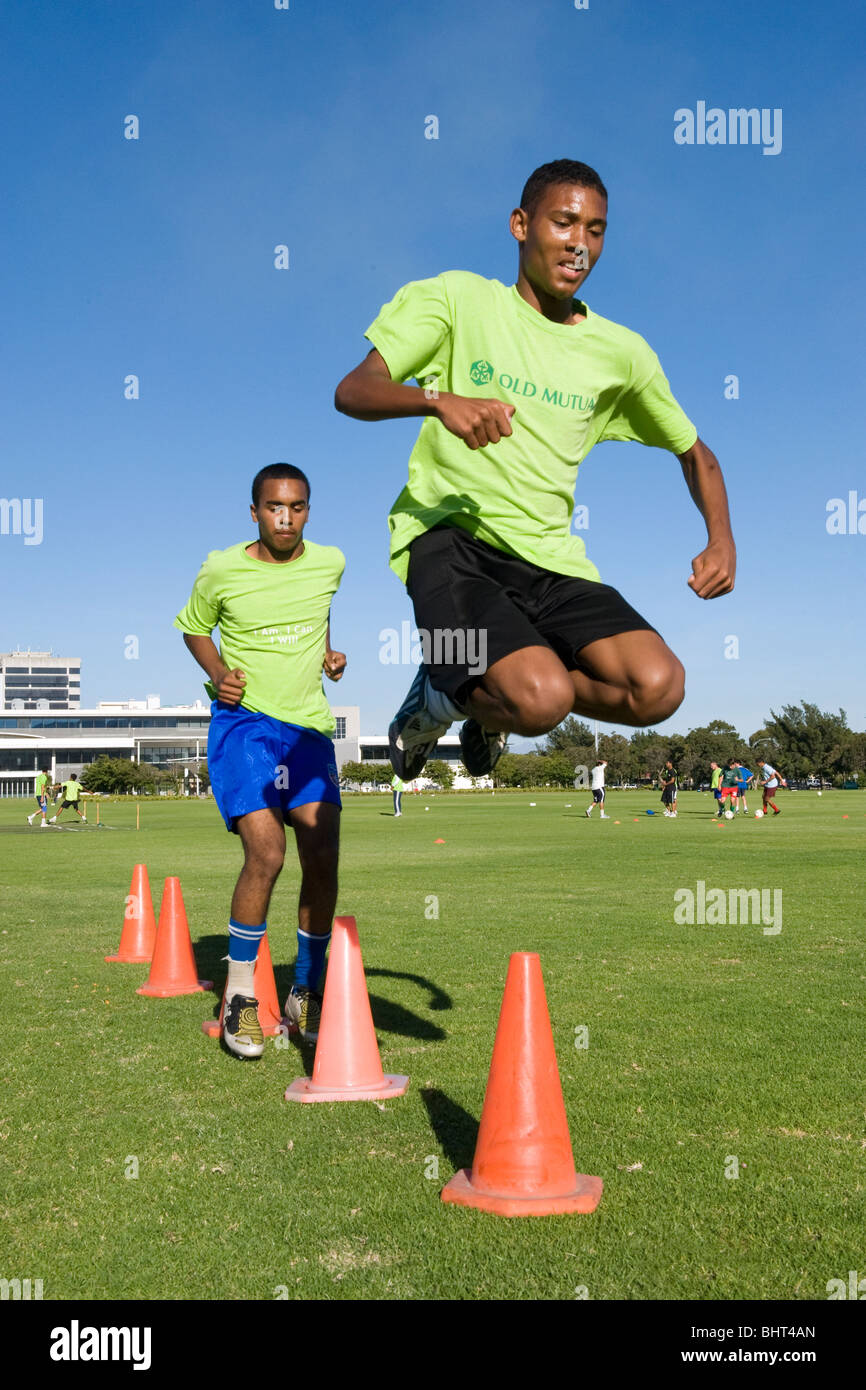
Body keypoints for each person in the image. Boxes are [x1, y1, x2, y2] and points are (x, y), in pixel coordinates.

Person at [335, 158, 735, 781]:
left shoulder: (622, 354)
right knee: (542, 700)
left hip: (551, 561)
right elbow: (355, 391)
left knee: (657, 688)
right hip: (450, 544)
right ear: (521, 225)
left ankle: (493, 696)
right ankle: (437, 696)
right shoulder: (458, 299)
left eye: (596, 230)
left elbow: (696, 453)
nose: (580, 243)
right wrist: (441, 402)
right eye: (564, 222)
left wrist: (721, 538)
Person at [175, 464, 346, 1057]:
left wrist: (326, 654)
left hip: (308, 731)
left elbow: (317, 608)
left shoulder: (331, 563)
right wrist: (219, 673)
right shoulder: (221, 568)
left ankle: (306, 988)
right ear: (254, 511)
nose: (286, 517)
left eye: (297, 507)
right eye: (274, 507)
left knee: (322, 855)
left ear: (308, 511)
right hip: (245, 725)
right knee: (267, 852)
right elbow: (195, 629)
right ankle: (241, 998)